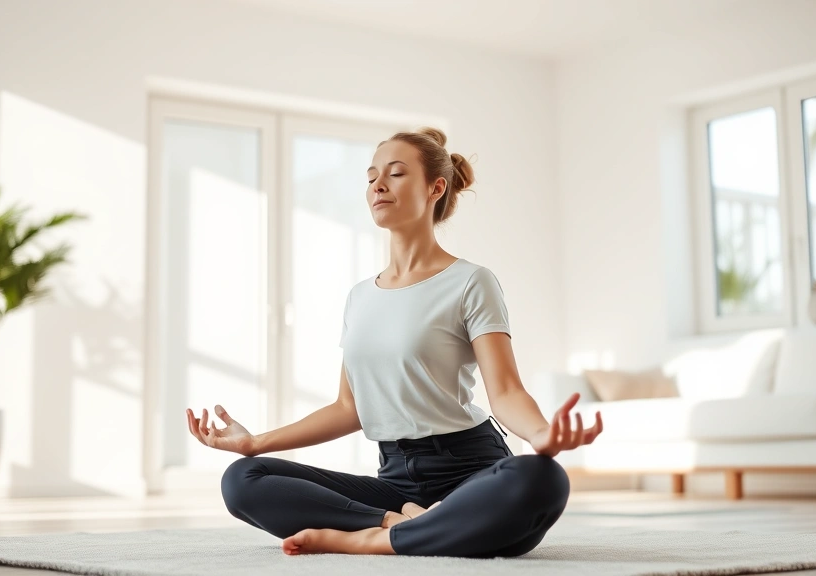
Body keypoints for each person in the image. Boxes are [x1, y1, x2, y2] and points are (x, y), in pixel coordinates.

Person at [186, 127, 603, 558]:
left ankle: (367, 539)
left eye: (396, 173)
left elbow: (506, 391)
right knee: (242, 479)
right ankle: (395, 525)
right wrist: (254, 443)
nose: (378, 185)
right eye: (371, 177)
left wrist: (541, 436)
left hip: (469, 470)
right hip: (396, 485)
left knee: (543, 479)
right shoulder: (360, 297)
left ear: (435, 187)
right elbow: (349, 408)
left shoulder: (471, 282)